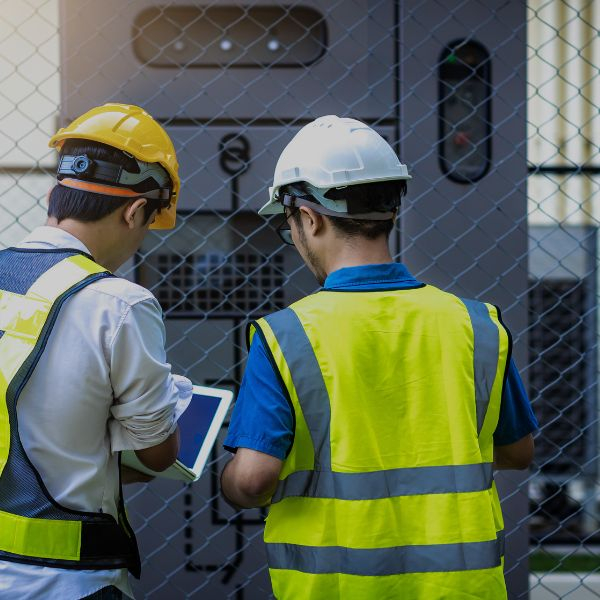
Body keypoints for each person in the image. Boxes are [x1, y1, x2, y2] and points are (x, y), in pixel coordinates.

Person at [221, 115, 538, 599]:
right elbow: (517, 451)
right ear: (391, 209)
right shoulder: (477, 325)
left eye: (290, 224)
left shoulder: (286, 336)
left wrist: (229, 481)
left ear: (309, 217)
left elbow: (254, 479)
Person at [0, 103, 192, 600]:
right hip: (70, 582)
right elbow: (156, 452)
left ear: (54, 195)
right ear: (134, 211)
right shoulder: (118, 304)